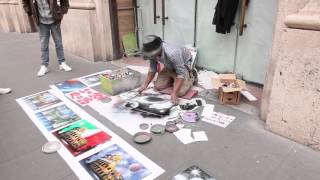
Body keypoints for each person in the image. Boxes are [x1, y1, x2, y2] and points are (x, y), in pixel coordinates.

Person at [138, 35, 194, 104]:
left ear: (159, 49)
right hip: (169, 65)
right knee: (158, 86)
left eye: (153, 54)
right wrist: (144, 85)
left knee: (180, 92)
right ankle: (174, 79)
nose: (152, 56)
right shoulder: (151, 52)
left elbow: (181, 73)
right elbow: (153, 69)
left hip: (183, 65)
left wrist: (174, 93)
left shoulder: (172, 52)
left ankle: (191, 77)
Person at [22, 0, 72, 77]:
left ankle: (62, 63)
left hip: (54, 20)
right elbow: (25, 3)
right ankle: (44, 66)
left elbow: (65, 2)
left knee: (58, 43)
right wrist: (30, 13)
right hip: (41, 22)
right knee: (44, 45)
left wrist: (62, 12)